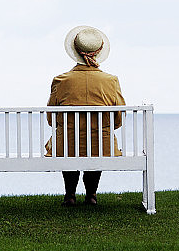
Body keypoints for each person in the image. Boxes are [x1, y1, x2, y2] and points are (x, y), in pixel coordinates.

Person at [46, 25, 125, 206]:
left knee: (68, 144)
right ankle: (91, 195)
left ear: (75, 51)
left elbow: (51, 119)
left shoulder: (61, 80)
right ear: (99, 52)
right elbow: (118, 118)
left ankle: (70, 195)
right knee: (97, 144)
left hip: (67, 144)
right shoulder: (111, 81)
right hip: (101, 144)